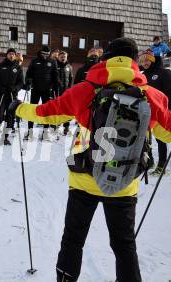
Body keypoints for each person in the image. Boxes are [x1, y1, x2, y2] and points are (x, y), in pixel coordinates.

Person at [10, 37, 171, 282]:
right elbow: (167, 132)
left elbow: (47, 113)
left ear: (106, 58)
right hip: (124, 182)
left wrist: (19, 108)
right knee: (125, 245)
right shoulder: (152, 96)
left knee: (73, 239)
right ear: (135, 61)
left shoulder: (86, 89)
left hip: (84, 178)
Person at [139, 49, 171, 176]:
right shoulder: (142, 75)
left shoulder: (164, 72)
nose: (144, 63)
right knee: (146, 138)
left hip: (161, 112)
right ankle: (149, 161)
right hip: (146, 112)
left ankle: (161, 165)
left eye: (147, 60)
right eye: (142, 61)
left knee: (160, 139)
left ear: (152, 59)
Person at [0, 48, 24, 146]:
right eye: (9, 54)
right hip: (1, 94)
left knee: (10, 117)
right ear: (7, 55)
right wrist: (0, 88)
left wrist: (15, 88)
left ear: (15, 55)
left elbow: (21, 82)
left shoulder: (18, 67)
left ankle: (6, 137)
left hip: (12, 95)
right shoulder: (0, 66)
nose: (11, 55)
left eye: (13, 54)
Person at [23, 46, 58, 141]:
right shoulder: (35, 61)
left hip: (47, 90)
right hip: (36, 89)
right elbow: (29, 73)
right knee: (32, 110)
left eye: (47, 54)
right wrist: (28, 80)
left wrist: (56, 84)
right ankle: (30, 131)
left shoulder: (52, 62)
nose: (45, 56)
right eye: (44, 54)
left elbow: (55, 75)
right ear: (40, 53)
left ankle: (45, 132)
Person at [56, 51, 73, 135]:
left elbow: (71, 79)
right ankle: (56, 124)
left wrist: (70, 90)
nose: (63, 58)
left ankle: (66, 127)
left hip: (66, 93)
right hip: (57, 92)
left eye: (64, 57)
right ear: (58, 57)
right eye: (61, 56)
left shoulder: (69, 67)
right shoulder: (55, 66)